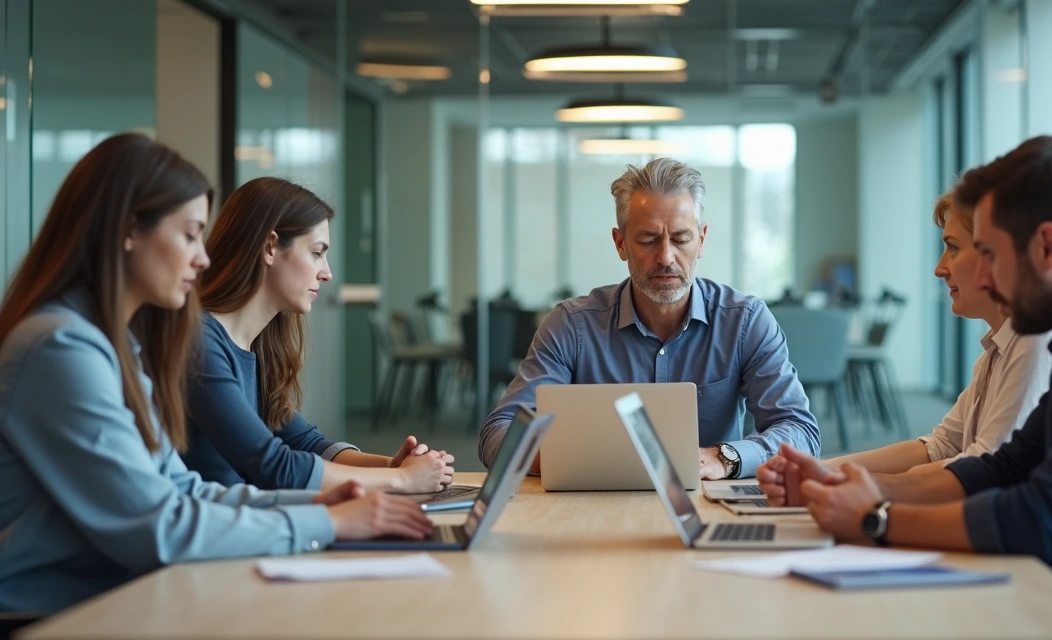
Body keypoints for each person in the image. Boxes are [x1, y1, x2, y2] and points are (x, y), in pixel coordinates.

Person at [757, 136, 1052, 637]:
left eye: (991, 255)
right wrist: (848, 488)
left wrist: (876, 518)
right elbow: (1005, 467)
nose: (985, 279)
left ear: (1047, 247)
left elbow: (1047, 517)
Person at [0, 134, 433, 613]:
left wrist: (317, 506)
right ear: (128, 230)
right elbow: (158, 526)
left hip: (115, 600)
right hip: (51, 617)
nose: (202, 257)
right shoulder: (60, 348)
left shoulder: (115, 348)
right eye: (189, 234)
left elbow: (183, 490)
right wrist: (332, 521)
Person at [479, 157, 818, 480]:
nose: (666, 257)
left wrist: (724, 457)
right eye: (648, 239)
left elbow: (801, 431)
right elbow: (498, 432)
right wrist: (562, 457)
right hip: (593, 503)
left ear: (700, 241)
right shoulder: (572, 326)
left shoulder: (744, 322)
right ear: (620, 243)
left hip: (707, 499)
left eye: (681, 239)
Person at [183, 177, 453, 493]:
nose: (327, 273)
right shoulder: (199, 342)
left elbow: (304, 442)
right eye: (316, 252)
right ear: (270, 247)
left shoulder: (259, 345)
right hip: (224, 523)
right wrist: (403, 480)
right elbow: (273, 466)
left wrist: (391, 467)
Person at [822, 191, 1052, 474]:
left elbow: (985, 469)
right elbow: (942, 446)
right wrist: (826, 468)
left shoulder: (1032, 342)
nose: (939, 269)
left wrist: (850, 481)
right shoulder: (995, 352)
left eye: (953, 247)